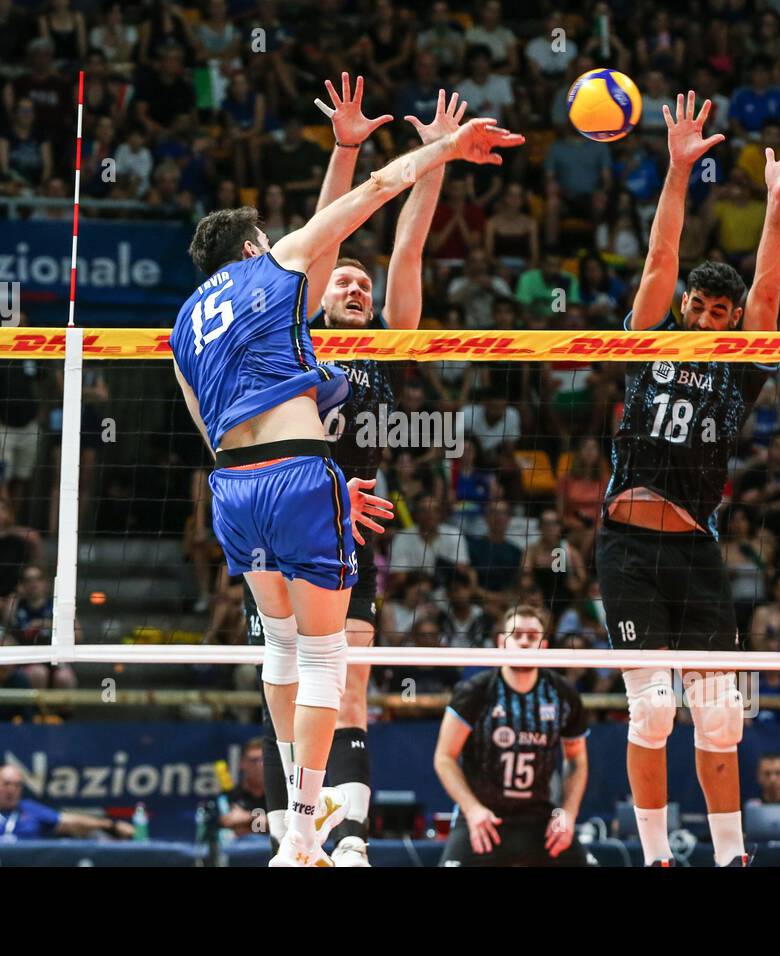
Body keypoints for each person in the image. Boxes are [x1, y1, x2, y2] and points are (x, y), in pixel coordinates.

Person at [170, 80, 521, 866]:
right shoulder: (287, 290)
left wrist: (388, 154)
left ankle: (334, 835)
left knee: (286, 656)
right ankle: (299, 830)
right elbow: (363, 202)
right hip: (308, 486)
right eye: (345, 280)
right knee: (322, 663)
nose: (353, 284)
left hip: (244, 489)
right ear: (261, 251)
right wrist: (438, 152)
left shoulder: (187, 322)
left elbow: (203, 426)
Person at [241, 81, 459, 867]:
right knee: (286, 687)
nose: (355, 284)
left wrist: (435, 158)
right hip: (276, 512)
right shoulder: (293, 334)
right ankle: (288, 842)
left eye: (361, 285)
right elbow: (321, 241)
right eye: (344, 280)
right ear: (320, 294)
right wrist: (347, 150)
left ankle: (350, 839)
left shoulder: (390, 344)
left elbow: (407, 248)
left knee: (350, 686)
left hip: (347, 524)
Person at [596, 94, 780, 868]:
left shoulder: (738, 368)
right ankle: (656, 857)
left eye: (721, 310)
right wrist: (680, 166)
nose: (711, 314)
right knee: (652, 711)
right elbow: (659, 258)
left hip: (695, 553)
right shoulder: (646, 341)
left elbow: (769, 289)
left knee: (720, 717)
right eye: (701, 302)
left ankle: (732, 859)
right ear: (686, 304)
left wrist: (776, 200)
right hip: (625, 544)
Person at [433, 606, 591, 867]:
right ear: (501, 642)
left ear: (544, 645)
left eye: (532, 636)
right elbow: (444, 757)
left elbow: (577, 760)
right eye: (516, 634)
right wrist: (472, 810)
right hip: (484, 817)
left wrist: (568, 814)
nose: (524, 641)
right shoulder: (475, 691)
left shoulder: (563, 695)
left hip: (538, 817)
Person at [0, 764, 134, 841]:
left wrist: (111, 826)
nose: (11, 789)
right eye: (6, 784)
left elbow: (71, 822)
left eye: (17, 785)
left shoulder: (31, 809)